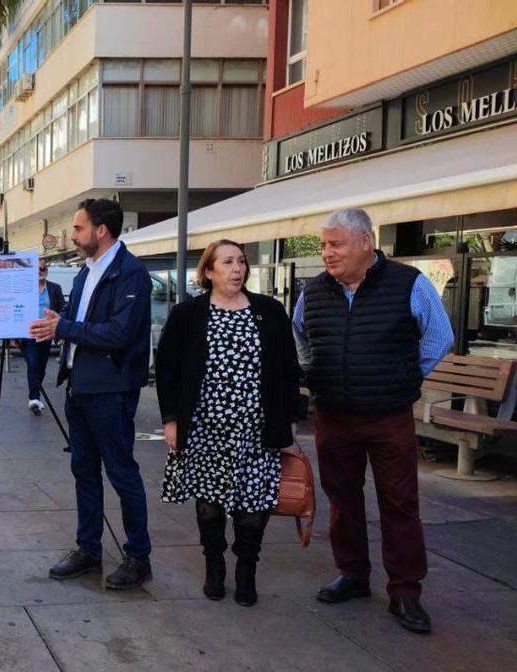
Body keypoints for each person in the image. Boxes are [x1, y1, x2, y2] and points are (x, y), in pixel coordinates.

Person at [294, 209, 452, 634]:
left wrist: (404, 376)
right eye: (324, 245)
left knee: (399, 503)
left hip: (388, 415)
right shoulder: (313, 291)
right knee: (342, 499)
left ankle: (405, 591)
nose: (327, 253)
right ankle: (353, 574)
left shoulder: (408, 283)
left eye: (336, 244)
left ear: (365, 242)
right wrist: (316, 373)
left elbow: (440, 337)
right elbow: (301, 339)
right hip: (333, 415)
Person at [155, 240, 302, 607]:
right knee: (210, 502)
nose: (237, 268)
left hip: (256, 427)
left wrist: (290, 420)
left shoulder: (268, 311)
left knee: (255, 505)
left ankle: (247, 568)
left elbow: (287, 370)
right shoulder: (187, 314)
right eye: (227, 262)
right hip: (204, 426)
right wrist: (171, 420)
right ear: (208, 272)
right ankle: (214, 564)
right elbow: (168, 370)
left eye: (241, 261)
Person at [29, 198, 153, 590]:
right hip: (80, 386)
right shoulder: (86, 273)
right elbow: (74, 322)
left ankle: (138, 556)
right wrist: (52, 323)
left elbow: (120, 333)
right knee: (83, 470)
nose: (73, 234)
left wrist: (62, 328)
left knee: (121, 472)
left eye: (79, 228)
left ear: (101, 231)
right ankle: (89, 550)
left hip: (111, 389)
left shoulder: (130, 273)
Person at [20, 261, 65, 415]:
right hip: (30, 333)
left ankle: (36, 395)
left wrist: (59, 327)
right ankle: (34, 397)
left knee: (41, 366)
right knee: (32, 364)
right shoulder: (26, 288)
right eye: (37, 268)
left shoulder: (54, 288)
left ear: (47, 270)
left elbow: (62, 308)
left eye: (43, 268)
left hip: (47, 332)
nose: (40, 271)